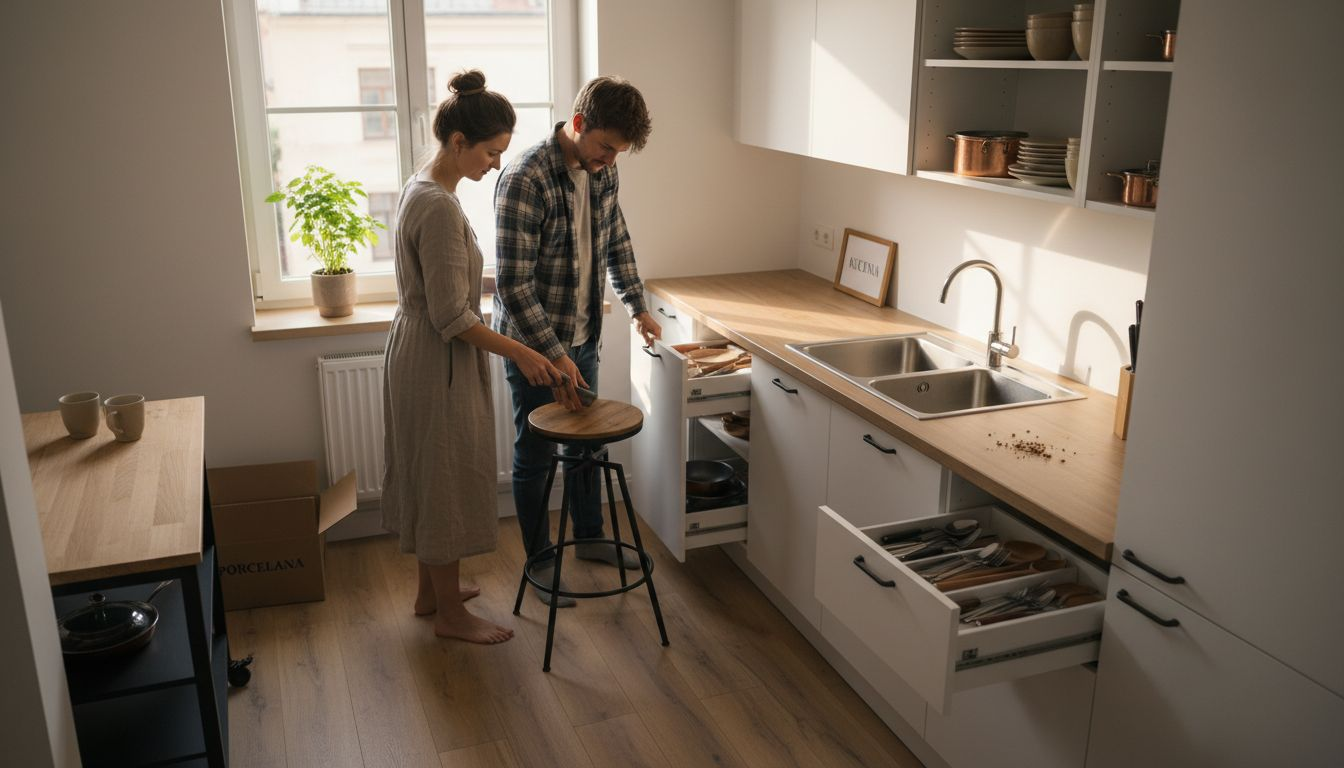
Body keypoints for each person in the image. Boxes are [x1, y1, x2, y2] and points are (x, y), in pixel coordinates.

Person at [382, 70, 564, 643]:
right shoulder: (436, 206)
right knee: (443, 478)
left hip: (424, 351)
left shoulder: (425, 187)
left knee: (433, 473)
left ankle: (427, 593)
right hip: (438, 358)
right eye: (490, 153)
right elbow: (452, 317)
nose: (495, 166)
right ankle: (451, 619)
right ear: (458, 142)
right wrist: (524, 352)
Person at [494, 75, 660, 607]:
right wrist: (556, 355)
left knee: (585, 446)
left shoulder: (602, 172)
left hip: (583, 337)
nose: (611, 159)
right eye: (606, 146)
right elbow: (513, 287)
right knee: (536, 452)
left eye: (620, 153)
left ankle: (590, 540)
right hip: (533, 348)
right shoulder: (527, 177)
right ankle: (542, 563)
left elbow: (617, 240)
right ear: (579, 124)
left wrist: (638, 307)